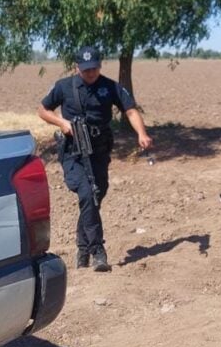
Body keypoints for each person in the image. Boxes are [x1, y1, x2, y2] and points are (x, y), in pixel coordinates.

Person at [38, 45, 153, 272]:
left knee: (95, 196)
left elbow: (130, 110)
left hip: (99, 151)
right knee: (87, 193)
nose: (90, 73)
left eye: (94, 68)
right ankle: (98, 251)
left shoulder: (110, 87)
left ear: (100, 66)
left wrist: (141, 133)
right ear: (76, 67)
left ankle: (82, 248)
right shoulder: (64, 87)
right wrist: (62, 123)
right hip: (74, 152)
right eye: (85, 69)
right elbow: (42, 110)